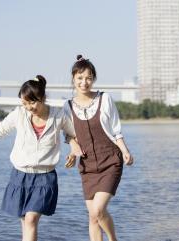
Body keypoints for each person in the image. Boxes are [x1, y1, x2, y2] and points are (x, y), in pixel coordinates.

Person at [0, 76, 79, 241]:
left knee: (31, 220)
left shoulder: (58, 115)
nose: (28, 107)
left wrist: (74, 150)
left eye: (32, 103)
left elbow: (73, 134)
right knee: (25, 221)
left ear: (43, 98)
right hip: (20, 176)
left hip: (45, 177)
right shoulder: (19, 114)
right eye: (24, 103)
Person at [64, 55, 134, 241]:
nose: (84, 82)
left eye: (88, 78)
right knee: (93, 217)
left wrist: (125, 151)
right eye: (79, 78)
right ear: (73, 79)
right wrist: (73, 150)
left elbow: (116, 129)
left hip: (110, 160)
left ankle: (113, 239)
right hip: (87, 166)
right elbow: (69, 135)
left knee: (98, 210)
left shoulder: (105, 99)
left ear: (93, 78)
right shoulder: (68, 106)